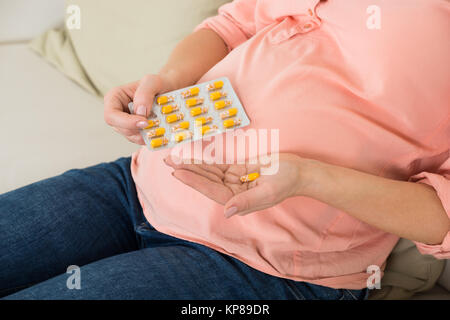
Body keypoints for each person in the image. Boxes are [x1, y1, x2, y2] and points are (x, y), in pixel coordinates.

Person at [1, 0, 449, 299]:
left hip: (270, 267)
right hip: (143, 182)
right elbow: (231, 24)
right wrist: (170, 80)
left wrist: (309, 177)